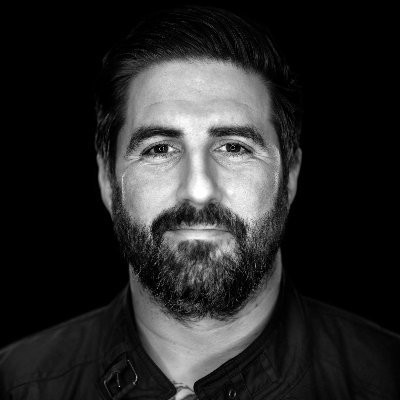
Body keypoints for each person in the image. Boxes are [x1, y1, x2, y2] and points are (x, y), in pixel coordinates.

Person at [0, 5, 399, 400]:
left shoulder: (387, 378)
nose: (198, 189)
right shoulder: (16, 383)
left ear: (290, 176)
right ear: (107, 178)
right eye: (159, 149)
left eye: (233, 147)